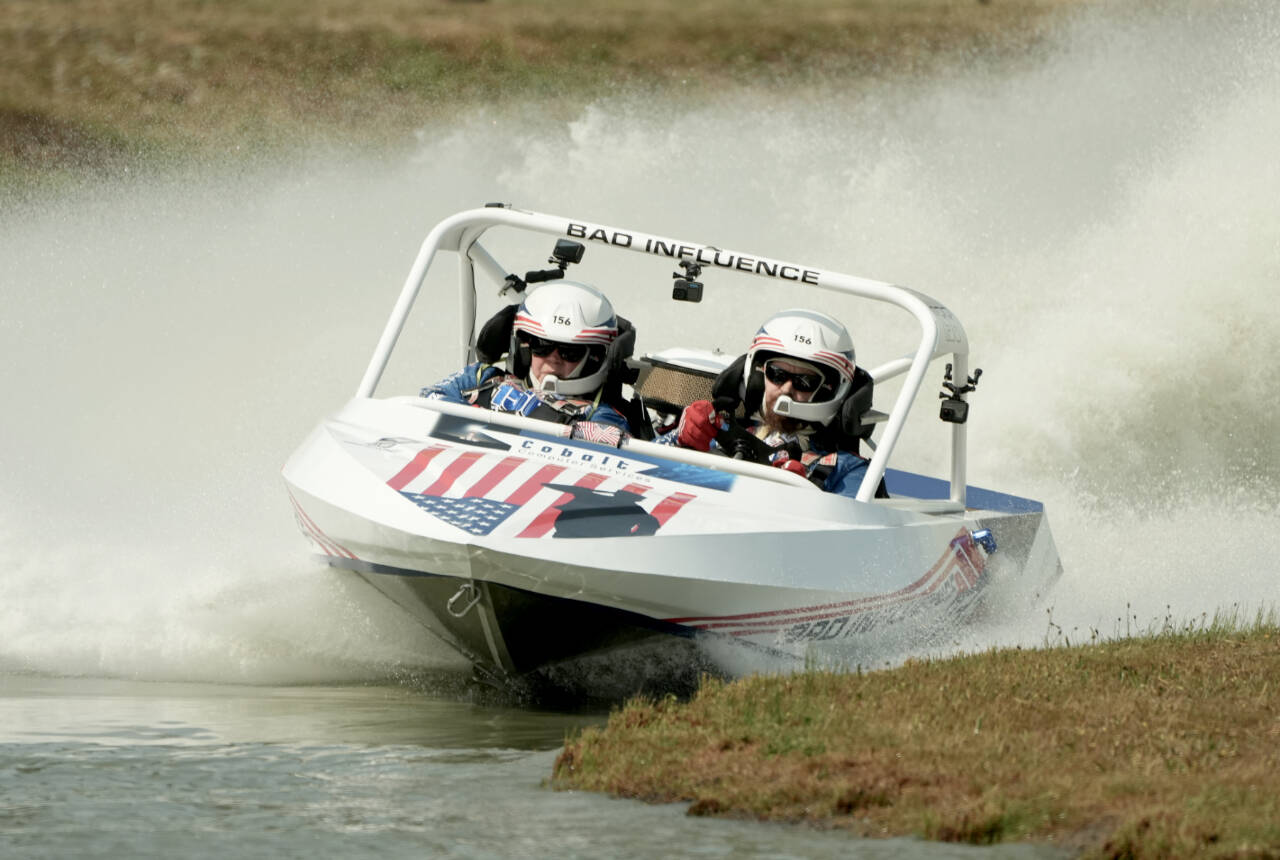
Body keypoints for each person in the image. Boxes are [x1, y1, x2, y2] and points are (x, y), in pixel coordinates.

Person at [663, 309, 870, 497]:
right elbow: (638, 476)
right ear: (757, 376)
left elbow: (854, 531)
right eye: (777, 374)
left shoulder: (847, 467)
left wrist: (801, 497)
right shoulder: (719, 430)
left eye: (805, 381)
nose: (787, 389)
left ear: (829, 390)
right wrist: (679, 441)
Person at [421, 280, 632, 442]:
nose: (553, 359)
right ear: (524, 347)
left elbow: (604, 448)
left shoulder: (600, 414)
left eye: (570, 352)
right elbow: (428, 400)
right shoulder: (481, 377)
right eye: (542, 346)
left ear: (594, 357)